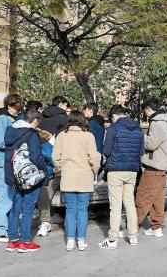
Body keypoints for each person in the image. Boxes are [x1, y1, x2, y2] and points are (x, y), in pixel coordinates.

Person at [52, 111, 101, 251]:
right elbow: (94, 158)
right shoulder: (88, 136)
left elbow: (55, 157)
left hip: (68, 177)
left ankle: (70, 240)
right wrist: (94, 170)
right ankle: (81, 240)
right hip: (84, 177)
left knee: (70, 210)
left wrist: (62, 167)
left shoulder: (62, 135)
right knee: (82, 209)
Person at [98, 105, 144, 249]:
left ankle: (112, 239)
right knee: (129, 203)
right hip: (132, 170)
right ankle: (133, 236)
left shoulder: (113, 128)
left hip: (116, 170)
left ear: (113, 116)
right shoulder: (138, 129)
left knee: (115, 206)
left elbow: (106, 151)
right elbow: (141, 151)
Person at [4, 109, 48, 253]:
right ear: (35, 120)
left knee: (16, 207)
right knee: (28, 208)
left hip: (16, 175)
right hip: (29, 176)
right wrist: (43, 172)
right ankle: (25, 242)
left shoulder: (10, 131)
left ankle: (12, 240)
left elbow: (8, 156)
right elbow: (36, 157)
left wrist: (11, 176)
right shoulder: (31, 134)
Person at [135, 99, 167, 238]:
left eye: (144, 110)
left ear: (148, 109)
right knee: (157, 200)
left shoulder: (157, 124)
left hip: (154, 166)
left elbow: (151, 144)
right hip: (163, 166)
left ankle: (132, 227)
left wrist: (142, 136)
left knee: (143, 197)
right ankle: (157, 227)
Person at [0, 94, 24, 242]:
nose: (18, 111)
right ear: (9, 105)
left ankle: (6, 228)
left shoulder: (7, 118)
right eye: (17, 108)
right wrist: (17, 144)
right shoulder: (2, 119)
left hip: (7, 162)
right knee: (4, 197)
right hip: (2, 162)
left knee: (9, 196)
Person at [36, 96, 70, 237]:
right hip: (63, 165)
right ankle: (69, 220)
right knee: (70, 189)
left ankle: (45, 222)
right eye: (66, 105)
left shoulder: (41, 118)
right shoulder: (64, 119)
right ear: (61, 104)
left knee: (44, 190)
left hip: (46, 165)